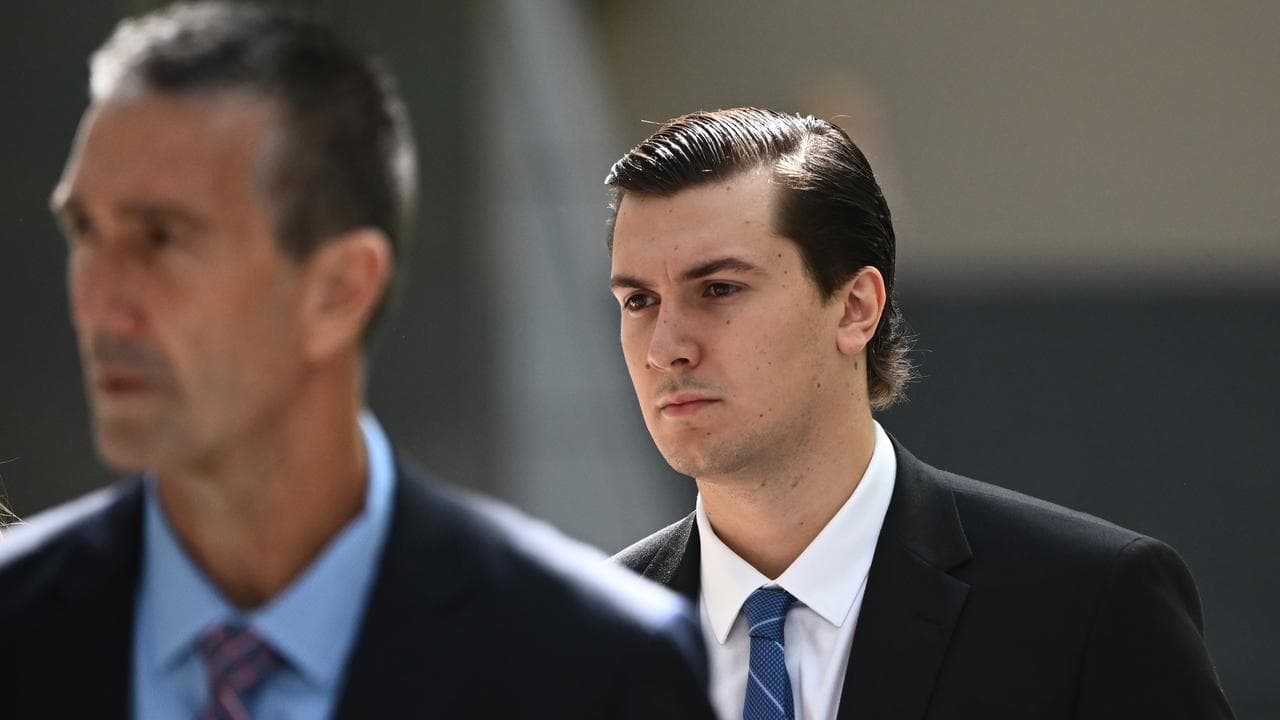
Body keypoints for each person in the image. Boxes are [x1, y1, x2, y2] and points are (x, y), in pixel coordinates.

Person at [0, 3, 714, 718]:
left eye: (163, 238)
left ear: (340, 290)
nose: (101, 303)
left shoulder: (596, 665)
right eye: (85, 233)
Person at [605, 107, 1234, 719]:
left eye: (718, 289)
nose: (665, 348)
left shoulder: (1087, 605)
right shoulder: (576, 642)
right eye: (639, 301)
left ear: (856, 308)